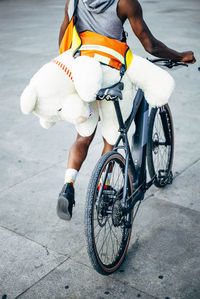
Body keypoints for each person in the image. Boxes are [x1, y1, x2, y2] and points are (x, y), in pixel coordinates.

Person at [57, 0, 196, 221]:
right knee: (110, 141)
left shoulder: (73, 1)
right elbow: (150, 44)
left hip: (85, 76)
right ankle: (104, 188)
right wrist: (179, 56)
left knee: (83, 138)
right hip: (113, 74)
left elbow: (63, 38)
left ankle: (68, 184)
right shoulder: (125, 3)